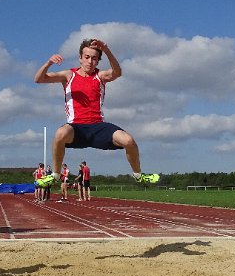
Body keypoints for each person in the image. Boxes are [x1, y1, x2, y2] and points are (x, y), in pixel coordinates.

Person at [34, 38, 159, 187]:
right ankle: (55, 175)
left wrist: (106, 50)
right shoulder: (68, 75)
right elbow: (39, 79)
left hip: (98, 126)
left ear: (98, 61)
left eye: (94, 58)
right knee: (60, 133)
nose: (90, 62)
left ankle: (138, 175)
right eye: (87, 57)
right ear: (80, 58)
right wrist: (49, 63)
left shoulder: (100, 76)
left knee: (129, 141)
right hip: (76, 128)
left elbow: (117, 72)